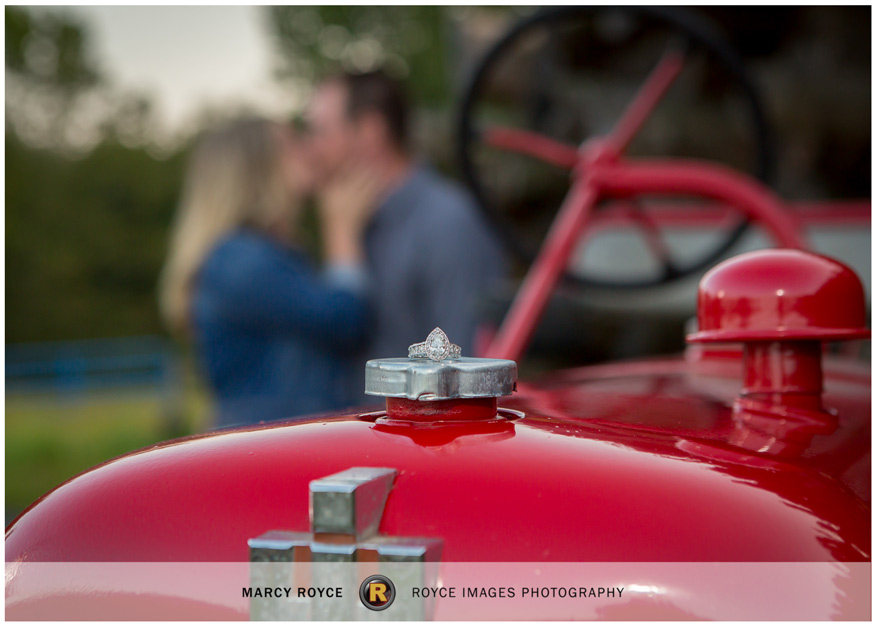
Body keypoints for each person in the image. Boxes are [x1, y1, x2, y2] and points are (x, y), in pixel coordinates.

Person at [159, 117, 382, 427]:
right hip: (264, 451)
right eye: (291, 144)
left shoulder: (249, 254)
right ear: (257, 168)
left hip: (264, 443)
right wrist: (341, 229)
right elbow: (344, 320)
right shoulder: (242, 261)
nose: (308, 150)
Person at [307, 70, 507, 361]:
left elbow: (464, 368)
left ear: (369, 131)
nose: (312, 150)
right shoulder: (353, 224)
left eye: (320, 132)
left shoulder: (448, 224)